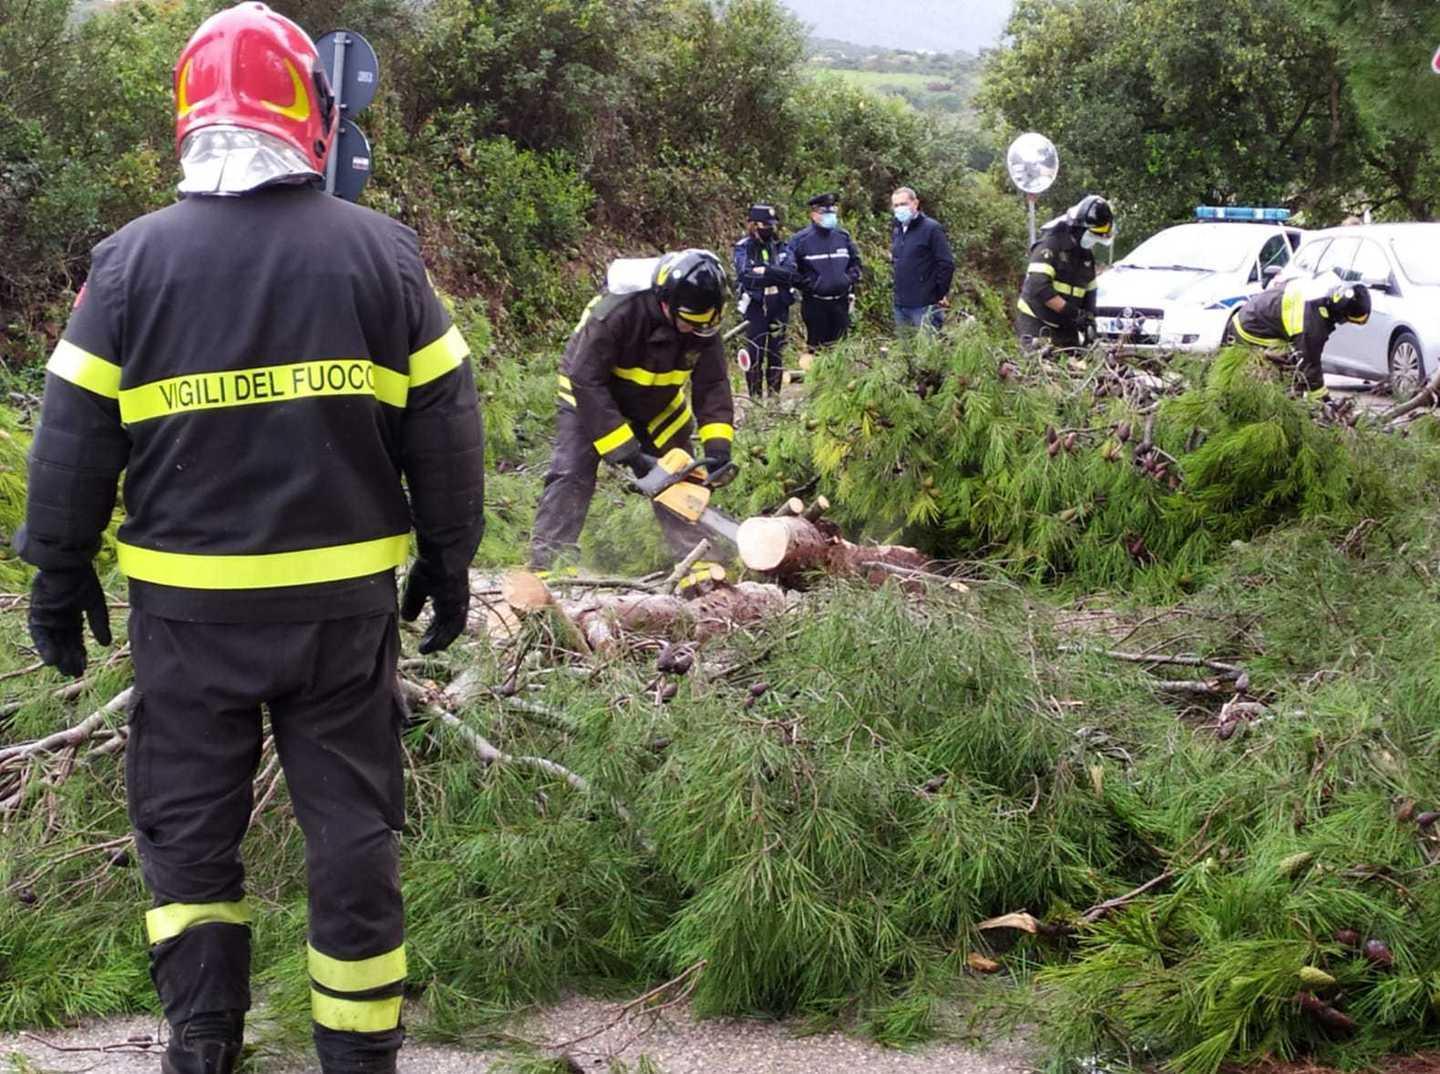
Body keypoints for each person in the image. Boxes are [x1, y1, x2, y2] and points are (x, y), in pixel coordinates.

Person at [14, 5, 486, 1073]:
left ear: (187, 114)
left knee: (187, 837)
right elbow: (450, 423)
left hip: (188, 624)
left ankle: (202, 1043)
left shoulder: (128, 266)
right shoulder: (384, 256)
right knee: (353, 838)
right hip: (340, 624)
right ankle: (358, 1056)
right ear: (311, 114)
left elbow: (71, 436)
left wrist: (56, 570)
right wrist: (449, 557)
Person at [529, 249, 737, 569]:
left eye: (702, 326)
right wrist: (626, 450)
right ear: (666, 302)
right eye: (687, 324)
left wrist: (719, 446)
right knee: (573, 470)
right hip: (591, 394)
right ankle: (550, 562)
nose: (693, 332)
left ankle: (695, 559)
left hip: (658, 402)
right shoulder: (617, 313)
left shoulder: (702, 323)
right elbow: (585, 379)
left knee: (680, 472)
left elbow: (712, 386)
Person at [1232, 276, 1371, 392]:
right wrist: (1323, 399)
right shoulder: (1313, 323)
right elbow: (1310, 365)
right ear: (1341, 313)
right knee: (1291, 371)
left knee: (1296, 366)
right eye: (1348, 320)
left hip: (1252, 313)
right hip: (1254, 329)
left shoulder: (1323, 289)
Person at [1015, 194, 1114, 350]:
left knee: (1075, 366)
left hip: (1066, 325)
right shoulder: (1051, 245)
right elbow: (1039, 287)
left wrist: (1089, 319)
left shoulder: (1085, 256)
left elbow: (1090, 290)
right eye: (1093, 236)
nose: (1094, 242)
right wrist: (1074, 313)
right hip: (1037, 322)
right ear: (1080, 229)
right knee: (1040, 366)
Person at [733, 203, 799, 397]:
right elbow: (746, 276)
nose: (769, 229)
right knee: (755, 354)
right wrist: (774, 275)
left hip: (779, 305)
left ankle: (774, 399)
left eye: (772, 225)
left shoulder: (781, 247)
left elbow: (791, 274)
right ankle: (756, 399)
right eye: (764, 225)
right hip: (755, 307)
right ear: (753, 225)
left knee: (776, 353)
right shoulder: (743, 248)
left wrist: (766, 271)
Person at [788, 192, 863, 347]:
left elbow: (856, 263)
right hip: (815, 304)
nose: (830, 215)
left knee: (840, 350)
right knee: (816, 351)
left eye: (833, 211)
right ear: (814, 215)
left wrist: (847, 280)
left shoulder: (843, 236)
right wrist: (809, 285)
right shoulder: (800, 240)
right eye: (825, 212)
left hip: (841, 303)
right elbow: (790, 270)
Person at [890, 186, 955, 333]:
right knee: (904, 352)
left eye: (904, 204)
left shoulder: (931, 229)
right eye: (896, 205)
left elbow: (946, 264)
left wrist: (938, 294)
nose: (900, 208)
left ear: (915, 203)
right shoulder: (897, 230)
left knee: (927, 351)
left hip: (925, 306)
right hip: (901, 305)